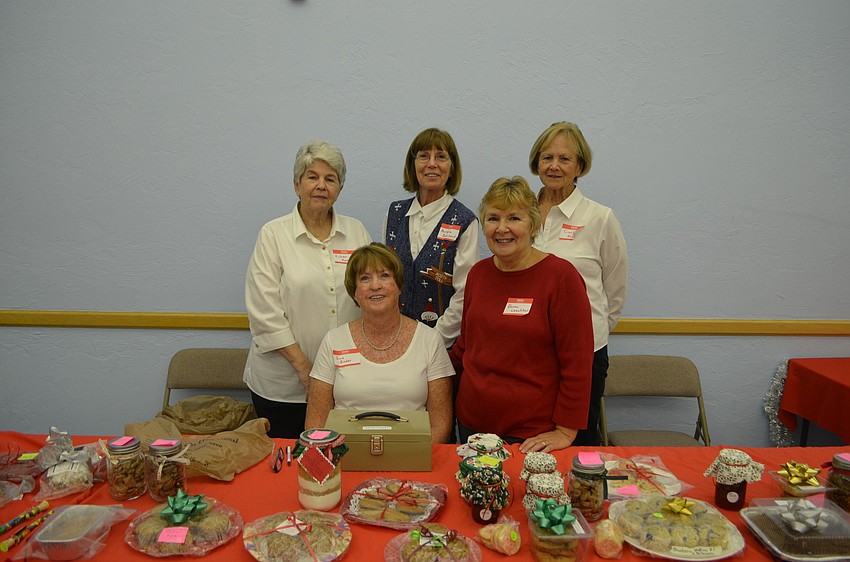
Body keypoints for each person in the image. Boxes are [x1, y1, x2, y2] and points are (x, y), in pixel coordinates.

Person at [450, 176, 594, 453]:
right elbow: (465, 347)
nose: (502, 228)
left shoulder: (561, 278)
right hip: (472, 427)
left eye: (514, 218)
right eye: (493, 218)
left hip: (531, 436)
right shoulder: (478, 274)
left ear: (533, 224)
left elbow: (577, 364)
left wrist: (566, 430)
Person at [244, 140, 372, 438]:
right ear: (296, 184)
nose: (321, 186)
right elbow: (264, 312)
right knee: (287, 469)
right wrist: (305, 369)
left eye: (331, 179)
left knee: (338, 465)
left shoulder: (356, 232)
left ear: (339, 188)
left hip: (345, 382)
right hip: (283, 387)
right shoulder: (273, 234)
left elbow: (371, 296)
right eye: (312, 177)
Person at [529, 122, 628, 446]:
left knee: (579, 443)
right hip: (532, 352)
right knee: (535, 441)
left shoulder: (600, 218)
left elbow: (614, 290)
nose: (554, 166)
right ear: (536, 163)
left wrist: (587, 332)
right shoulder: (521, 212)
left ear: (580, 166)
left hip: (583, 354)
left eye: (564, 159)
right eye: (547, 158)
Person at [305, 243, 454, 443]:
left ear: (399, 285)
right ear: (354, 292)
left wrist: (415, 458)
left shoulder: (429, 340)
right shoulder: (334, 341)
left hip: (413, 458)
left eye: (384, 275)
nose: (375, 285)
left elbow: (440, 425)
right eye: (365, 278)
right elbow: (316, 424)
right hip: (346, 457)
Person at [383, 128, 479, 348]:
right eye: (424, 156)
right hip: (394, 340)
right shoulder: (394, 213)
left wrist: (434, 341)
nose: (432, 164)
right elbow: (386, 277)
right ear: (413, 164)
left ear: (452, 167)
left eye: (441, 157)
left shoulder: (465, 221)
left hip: (442, 345)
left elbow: (465, 293)